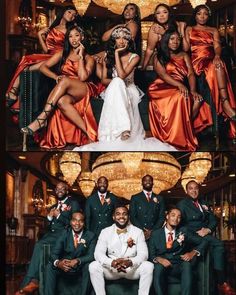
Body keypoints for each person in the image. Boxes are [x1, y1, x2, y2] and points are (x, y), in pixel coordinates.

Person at [73, 27, 177, 151]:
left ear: (128, 40)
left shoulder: (135, 57)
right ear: (114, 40)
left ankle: (124, 128)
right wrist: (116, 81)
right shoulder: (107, 56)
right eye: (118, 38)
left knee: (118, 81)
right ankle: (124, 128)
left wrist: (116, 54)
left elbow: (122, 76)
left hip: (130, 89)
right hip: (113, 89)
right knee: (116, 82)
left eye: (124, 38)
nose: (121, 41)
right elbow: (104, 80)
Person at [20, 24, 98, 150]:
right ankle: (88, 132)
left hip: (84, 88)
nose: (73, 39)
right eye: (70, 36)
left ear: (82, 37)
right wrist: (55, 77)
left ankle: (42, 118)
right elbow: (43, 67)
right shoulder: (63, 54)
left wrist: (81, 57)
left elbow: (83, 77)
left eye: (76, 36)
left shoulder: (89, 58)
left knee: (65, 80)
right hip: (65, 87)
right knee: (62, 101)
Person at [6, 5, 77, 112]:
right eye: (70, 12)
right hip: (49, 56)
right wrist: (40, 35)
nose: (72, 16)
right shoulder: (52, 28)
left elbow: (72, 47)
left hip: (60, 57)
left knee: (27, 66)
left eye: (74, 15)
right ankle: (15, 96)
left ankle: (13, 94)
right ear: (63, 12)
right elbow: (46, 49)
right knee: (26, 63)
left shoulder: (71, 30)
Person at [15, 182, 81, 295]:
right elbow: (46, 226)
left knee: (39, 245)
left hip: (64, 236)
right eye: (57, 188)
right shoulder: (52, 207)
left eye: (62, 188)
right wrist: (50, 217)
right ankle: (34, 281)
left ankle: (32, 281)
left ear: (66, 191)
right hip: (50, 236)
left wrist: (59, 216)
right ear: (55, 191)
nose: (59, 190)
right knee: (41, 246)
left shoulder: (73, 204)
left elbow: (75, 224)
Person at [182, 5, 236, 142]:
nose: (202, 16)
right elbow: (186, 48)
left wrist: (217, 55)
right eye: (199, 14)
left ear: (208, 16)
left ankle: (224, 102)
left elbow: (217, 46)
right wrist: (183, 32)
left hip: (211, 59)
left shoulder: (213, 30)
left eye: (205, 14)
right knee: (215, 67)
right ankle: (225, 103)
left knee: (218, 64)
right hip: (196, 62)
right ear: (195, 15)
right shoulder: (189, 29)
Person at [177, 180, 236, 295]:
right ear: (186, 190)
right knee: (219, 244)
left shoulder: (203, 203)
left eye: (196, 188)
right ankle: (222, 282)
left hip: (205, 234)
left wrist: (207, 229)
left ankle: (217, 283)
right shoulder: (182, 204)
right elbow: (180, 225)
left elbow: (213, 219)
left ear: (198, 190)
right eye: (191, 188)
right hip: (192, 236)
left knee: (218, 247)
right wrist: (195, 233)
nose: (194, 191)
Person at [148, 29, 201, 151]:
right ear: (166, 40)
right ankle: (177, 138)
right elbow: (163, 76)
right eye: (172, 39)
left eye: (178, 39)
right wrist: (180, 85)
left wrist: (193, 90)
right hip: (161, 86)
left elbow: (191, 74)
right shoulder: (158, 56)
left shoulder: (184, 55)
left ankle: (179, 133)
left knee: (197, 100)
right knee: (181, 95)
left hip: (178, 85)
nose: (175, 42)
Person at [89, 205, 154, 295]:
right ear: (114, 217)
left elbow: (144, 254)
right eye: (118, 214)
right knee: (93, 266)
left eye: (124, 214)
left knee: (149, 266)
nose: (121, 217)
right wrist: (112, 262)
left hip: (131, 269)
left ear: (128, 217)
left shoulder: (138, 232)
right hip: (112, 269)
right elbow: (98, 253)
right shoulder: (105, 231)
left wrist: (130, 262)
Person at [149, 207, 208, 295]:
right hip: (163, 264)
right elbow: (151, 255)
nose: (176, 219)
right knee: (157, 268)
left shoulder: (183, 231)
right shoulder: (155, 233)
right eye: (173, 215)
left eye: (179, 217)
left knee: (187, 265)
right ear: (167, 216)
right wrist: (159, 259)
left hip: (178, 264)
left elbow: (204, 241)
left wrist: (193, 253)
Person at [44, 212, 96, 295]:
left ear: (84, 223)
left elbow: (91, 255)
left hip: (80, 268)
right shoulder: (64, 233)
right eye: (74, 220)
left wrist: (78, 260)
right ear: (71, 221)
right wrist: (58, 263)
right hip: (65, 266)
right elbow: (54, 254)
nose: (77, 224)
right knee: (50, 266)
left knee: (89, 266)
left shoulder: (90, 235)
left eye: (80, 221)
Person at [142, 3, 186, 70]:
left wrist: (164, 33)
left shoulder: (177, 25)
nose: (161, 15)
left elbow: (183, 47)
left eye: (165, 12)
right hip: (164, 62)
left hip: (179, 59)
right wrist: (143, 68)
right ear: (155, 16)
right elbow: (150, 50)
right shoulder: (155, 28)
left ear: (169, 14)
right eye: (158, 13)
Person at [130, 174, 165, 241]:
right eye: (145, 180)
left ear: (153, 183)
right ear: (142, 183)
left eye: (150, 180)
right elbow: (132, 217)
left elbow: (161, 217)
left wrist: (152, 231)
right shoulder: (135, 198)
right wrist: (142, 230)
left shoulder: (160, 198)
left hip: (154, 233)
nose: (148, 182)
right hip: (139, 232)